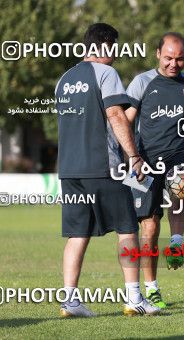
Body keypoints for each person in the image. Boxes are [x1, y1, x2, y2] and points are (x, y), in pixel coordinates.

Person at [55, 23, 160, 317]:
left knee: (77, 235)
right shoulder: (105, 73)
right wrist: (135, 158)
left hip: (70, 171)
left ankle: (70, 301)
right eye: (114, 47)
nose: (115, 55)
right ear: (104, 44)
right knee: (127, 230)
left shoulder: (64, 79)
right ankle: (134, 298)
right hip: (104, 168)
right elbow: (115, 115)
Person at [125, 32, 184, 309]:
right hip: (145, 162)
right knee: (148, 225)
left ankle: (176, 242)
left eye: (180, 58)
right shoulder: (142, 82)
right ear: (158, 54)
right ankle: (152, 289)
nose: (174, 63)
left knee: (181, 192)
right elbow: (125, 122)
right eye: (169, 58)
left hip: (179, 156)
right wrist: (131, 158)